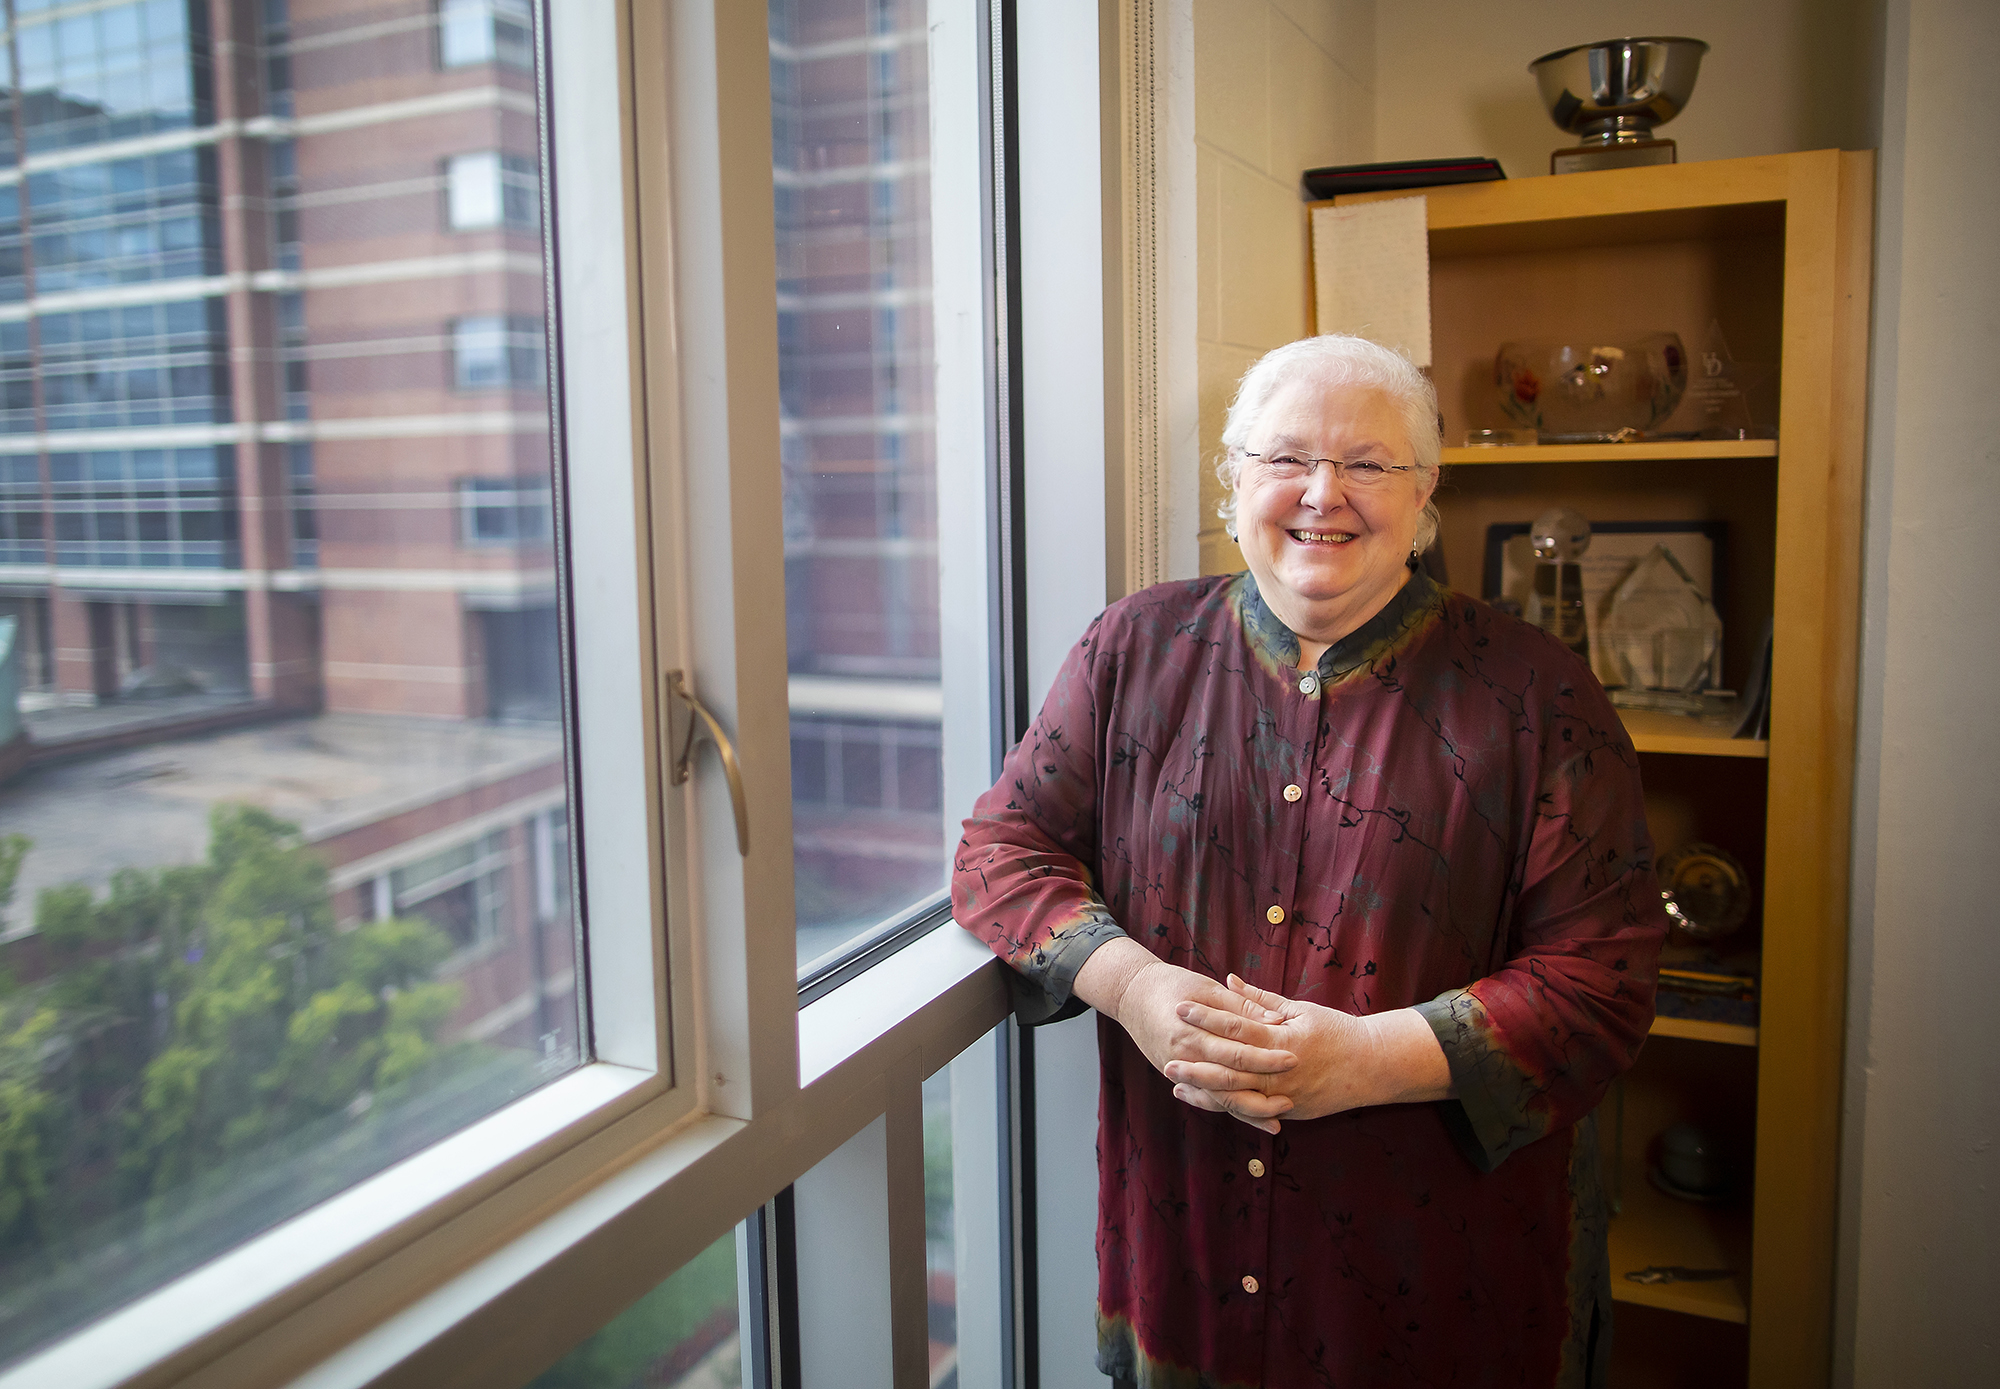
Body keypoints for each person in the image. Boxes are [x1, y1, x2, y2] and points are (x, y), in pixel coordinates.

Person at [952, 334, 1669, 1388]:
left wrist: (1367, 1059)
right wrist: (1133, 984)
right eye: (1283, 458)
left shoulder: (1536, 694)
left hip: (1428, 1280)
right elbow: (1000, 851)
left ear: (1423, 492)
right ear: (1234, 478)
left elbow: (1600, 978)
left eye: (1367, 464)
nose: (1319, 494)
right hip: (1186, 1249)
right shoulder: (1131, 648)